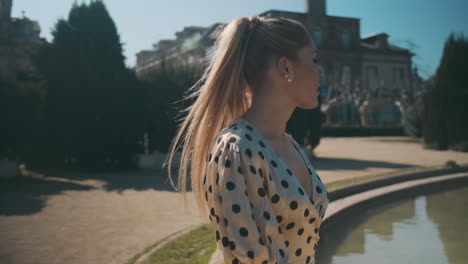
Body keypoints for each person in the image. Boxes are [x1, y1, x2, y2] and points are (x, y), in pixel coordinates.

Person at [166, 14, 328, 264]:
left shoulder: (289, 143)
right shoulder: (236, 150)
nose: (320, 73)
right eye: (314, 60)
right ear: (285, 67)